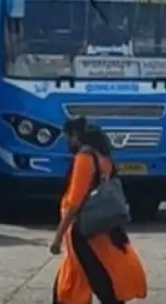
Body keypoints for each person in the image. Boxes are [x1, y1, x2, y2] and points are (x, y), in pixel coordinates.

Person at [51, 118, 149, 304]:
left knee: (98, 279)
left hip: (84, 231)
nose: (68, 142)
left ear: (77, 136)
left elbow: (74, 202)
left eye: (69, 137)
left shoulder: (84, 158)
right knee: (87, 275)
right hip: (102, 227)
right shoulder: (104, 159)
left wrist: (58, 236)